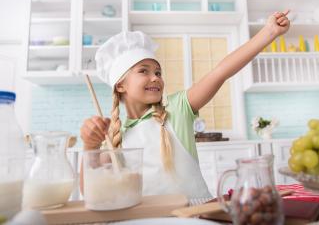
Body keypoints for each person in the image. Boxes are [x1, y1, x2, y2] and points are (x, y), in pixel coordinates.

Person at [80, 10, 290, 199]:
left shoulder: (177, 108)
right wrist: (90, 146)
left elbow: (220, 71)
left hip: (196, 214)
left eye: (158, 72)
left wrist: (268, 33)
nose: (155, 78)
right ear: (120, 86)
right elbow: (90, 191)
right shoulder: (115, 137)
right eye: (143, 71)